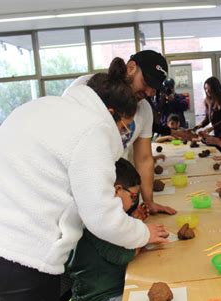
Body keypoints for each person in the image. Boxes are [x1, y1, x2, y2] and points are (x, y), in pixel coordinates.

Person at [0, 58, 169, 301]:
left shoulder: (42, 105)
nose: (123, 132)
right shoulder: (93, 131)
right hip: (17, 257)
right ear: (109, 113)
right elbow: (101, 216)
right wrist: (143, 233)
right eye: (123, 125)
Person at [64, 50, 177, 215]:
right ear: (131, 68)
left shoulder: (144, 110)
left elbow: (144, 160)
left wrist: (148, 202)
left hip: (114, 190)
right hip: (76, 187)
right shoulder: (88, 88)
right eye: (146, 82)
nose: (149, 92)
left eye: (154, 88)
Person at [68, 158, 148, 301]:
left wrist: (133, 221)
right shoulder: (99, 221)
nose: (133, 203)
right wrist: (144, 234)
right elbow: (123, 255)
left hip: (107, 291)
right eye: (133, 197)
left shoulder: (97, 210)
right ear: (117, 190)